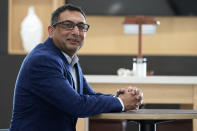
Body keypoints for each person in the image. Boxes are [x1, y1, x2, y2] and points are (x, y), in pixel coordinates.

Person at [9, 4, 143, 131]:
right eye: (68, 25)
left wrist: (118, 98)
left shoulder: (69, 59)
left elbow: (88, 95)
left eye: (81, 26)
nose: (76, 32)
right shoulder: (43, 60)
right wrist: (121, 102)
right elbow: (77, 105)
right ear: (51, 31)